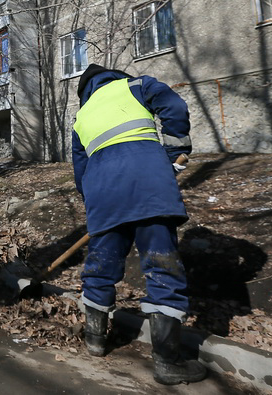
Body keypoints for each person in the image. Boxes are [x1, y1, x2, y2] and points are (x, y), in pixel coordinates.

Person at [71, 63, 206, 385]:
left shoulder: (82, 116)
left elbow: (79, 170)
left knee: (100, 265)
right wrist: (176, 151)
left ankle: (95, 340)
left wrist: (95, 194)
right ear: (114, 77)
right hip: (148, 184)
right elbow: (173, 105)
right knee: (162, 265)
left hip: (102, 195)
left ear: (84, 91)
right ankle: (167, 362)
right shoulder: (135, 86)